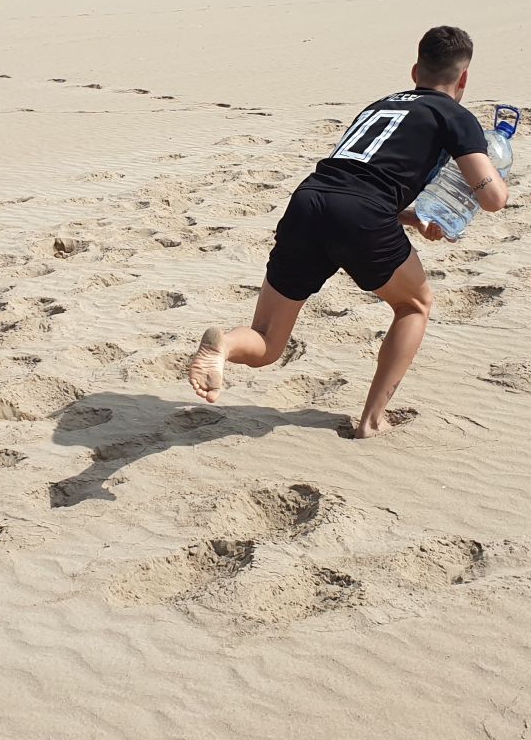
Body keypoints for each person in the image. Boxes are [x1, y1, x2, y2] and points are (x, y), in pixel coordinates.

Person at [187, 26, 510, 438]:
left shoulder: (380, 106)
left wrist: (411, 218)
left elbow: (356, 179)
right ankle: (371, 421)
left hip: (309, 200)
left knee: (267, 343)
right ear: (463, 79)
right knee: (414, 306)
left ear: (415, 71)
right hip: (362, 214)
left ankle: (225, 345)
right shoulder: (456, 116)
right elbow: (492, 199)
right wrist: (499, 174)